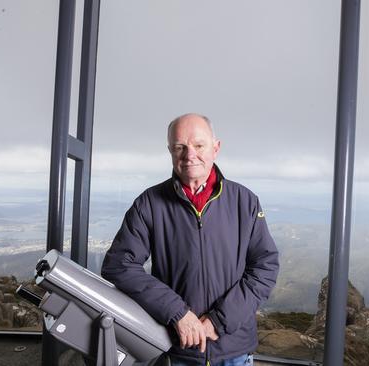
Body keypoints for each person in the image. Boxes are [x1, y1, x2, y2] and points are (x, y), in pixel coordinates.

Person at [101, 113, 279, 365]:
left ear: (216, 148)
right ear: (170, 151)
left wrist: (218, 321)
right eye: (180, 147)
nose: (189, 155)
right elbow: (118, 265)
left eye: (198, 145)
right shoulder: (149, 204)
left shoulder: (245, 201)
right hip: (178, 348)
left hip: (234, 351)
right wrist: (178, 313)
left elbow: (265, 266)